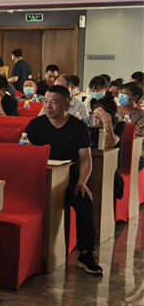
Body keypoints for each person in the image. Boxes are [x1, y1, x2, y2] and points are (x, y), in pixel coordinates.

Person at [26, 85, 102, 274]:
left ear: (67, 104)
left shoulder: (78, 127)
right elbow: (27, 154)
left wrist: (82, 181)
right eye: (45, 101)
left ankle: (85, 254)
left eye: (54, 102)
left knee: (84, 201)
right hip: (40, 179)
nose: (48, 106)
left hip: (70, 179)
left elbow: (86, 159)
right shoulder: (35, 125)